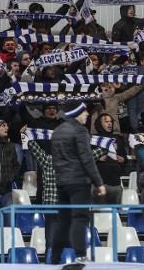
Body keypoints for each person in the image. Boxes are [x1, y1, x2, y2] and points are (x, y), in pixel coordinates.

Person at [22, 126, 106, 262]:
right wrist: (25, 132)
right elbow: (32, 145)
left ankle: (67, 263)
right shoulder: (48, 160)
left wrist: (105, 145)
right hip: (53, 208)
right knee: (52, 240)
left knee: (65, 239)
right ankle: (53, 264)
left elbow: (93, 154)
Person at [50, 101, 106, 264]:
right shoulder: (80, 130)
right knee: (80, 218)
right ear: (77, 113)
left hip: (61, 182)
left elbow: (56, 159)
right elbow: (87, 159)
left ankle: (54, 259)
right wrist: (99, 182)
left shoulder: (57, 131)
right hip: (78, 182)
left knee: (63, 222)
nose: (87, 114)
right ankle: (81, 256)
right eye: (84, 112)